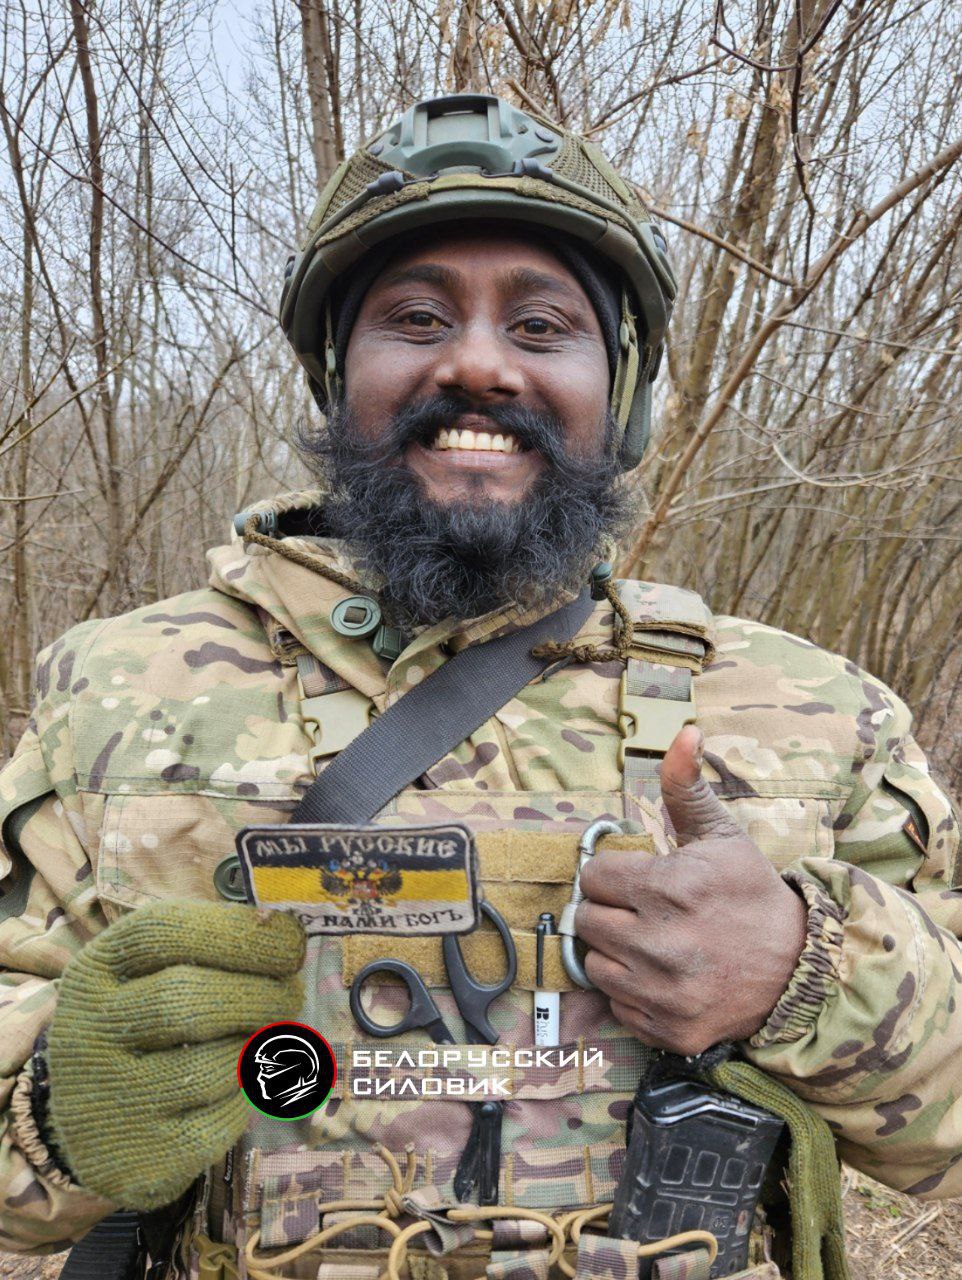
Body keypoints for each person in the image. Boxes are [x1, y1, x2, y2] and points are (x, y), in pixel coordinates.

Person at [0, 94, 959, 1280]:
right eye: (414, 317)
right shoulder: (115, 693)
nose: (474, 362)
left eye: (541, 324)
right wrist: (68, 1109)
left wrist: (808, 973)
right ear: (336, 373)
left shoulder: (810, 711)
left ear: (621, 388)